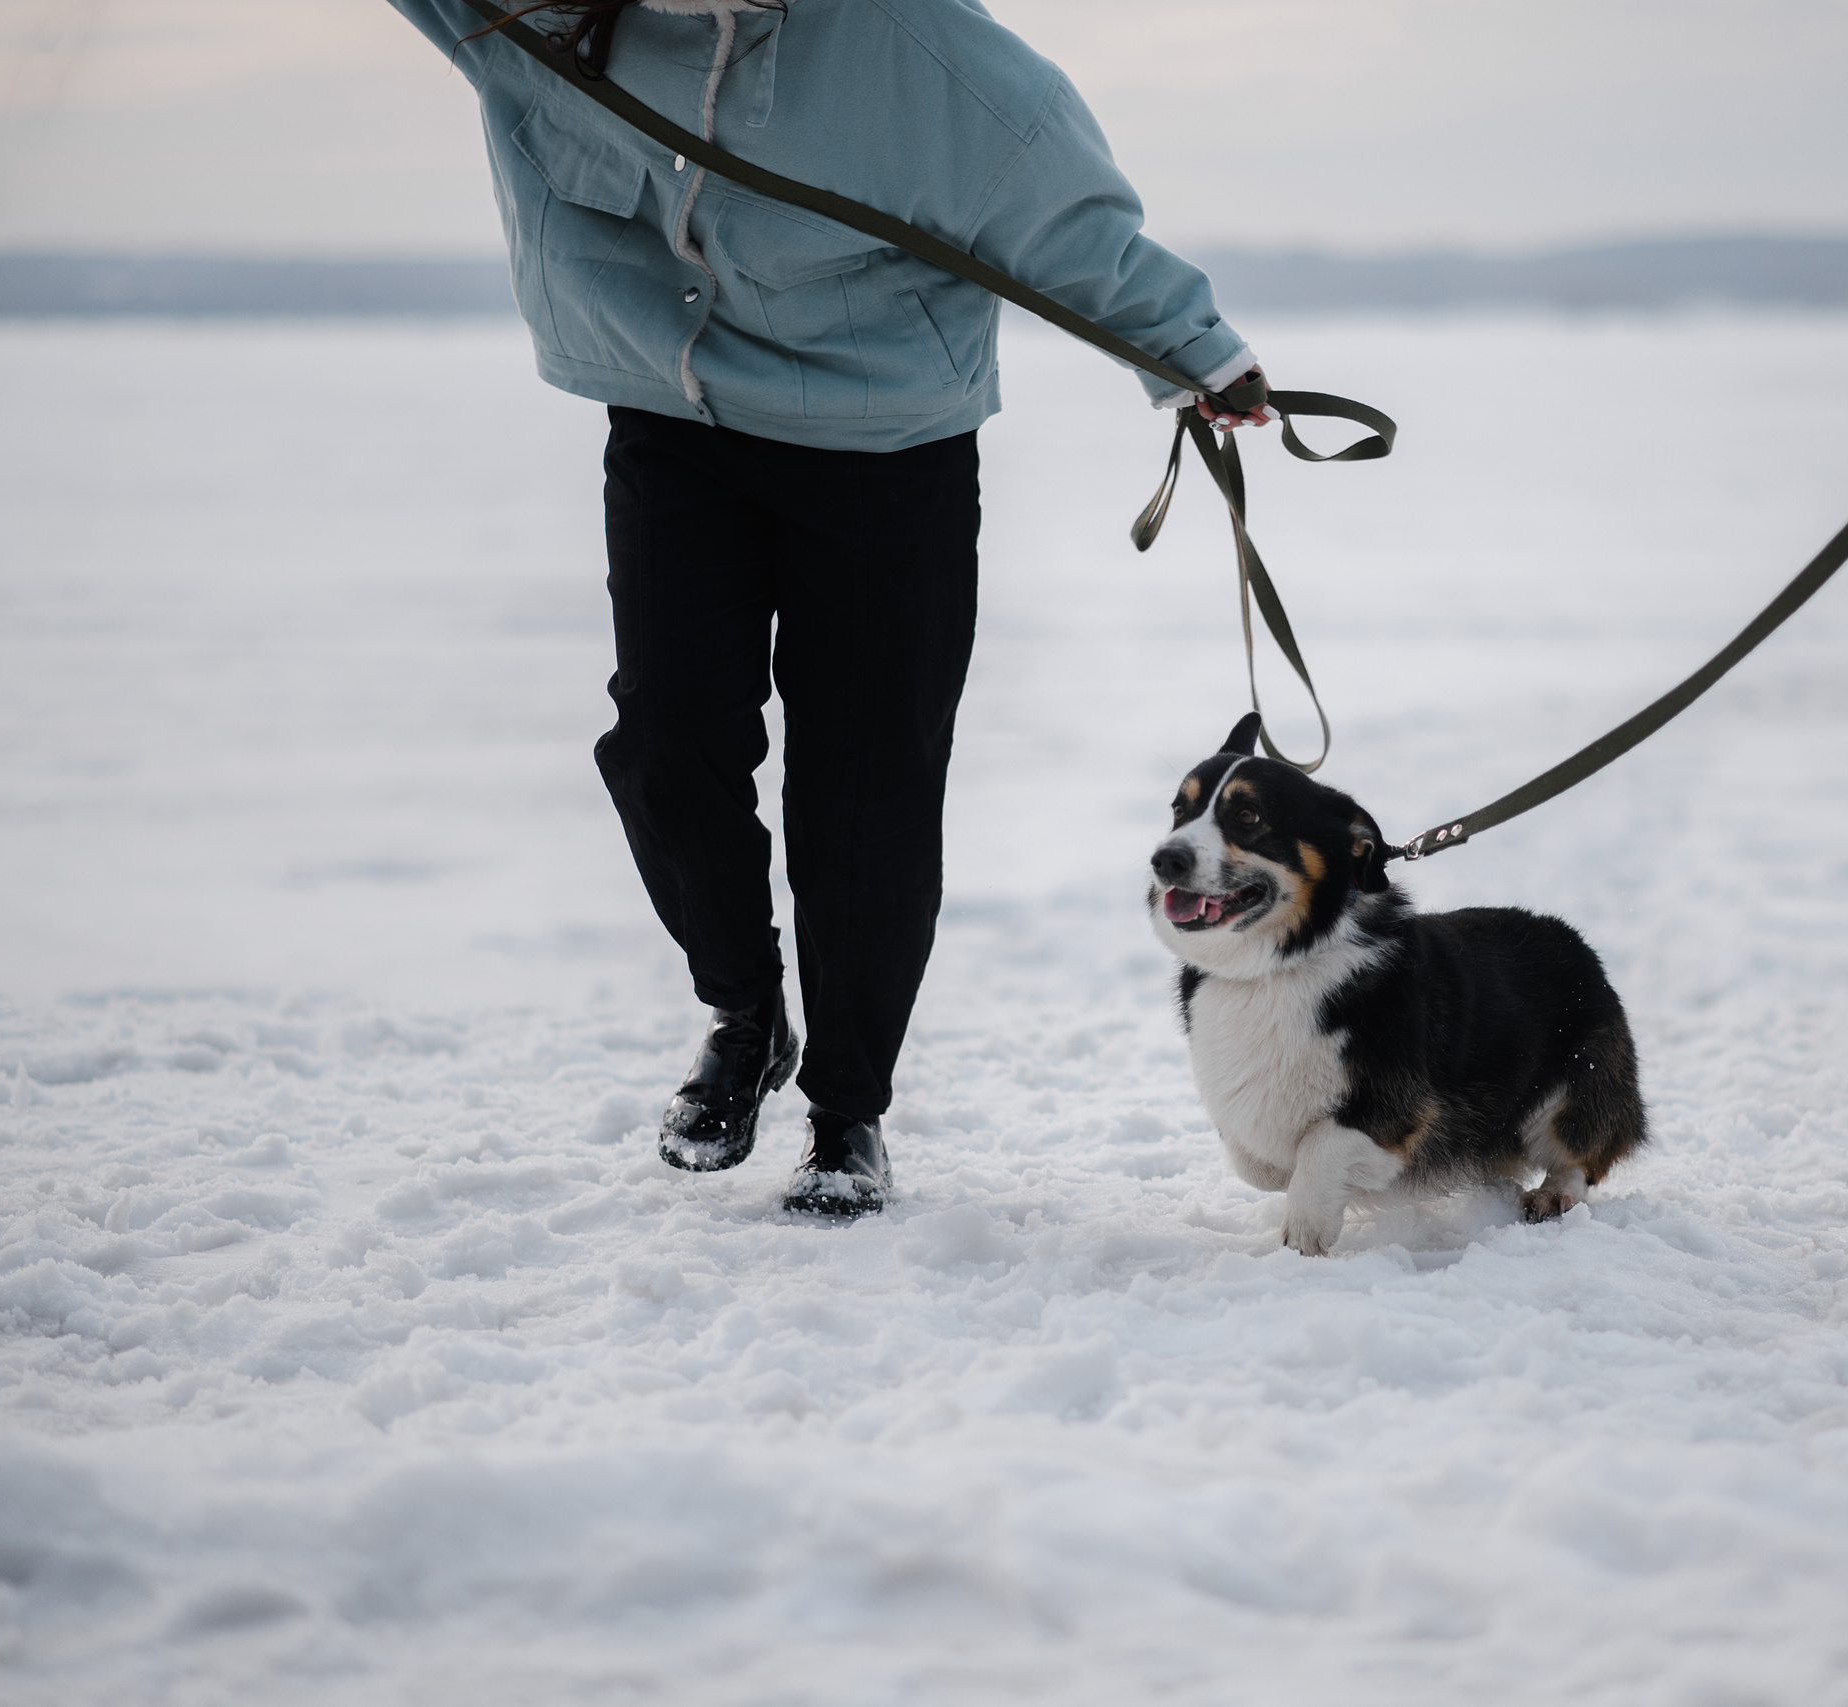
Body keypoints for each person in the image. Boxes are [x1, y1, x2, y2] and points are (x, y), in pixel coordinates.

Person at [385, 0, 1270, 1216]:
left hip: (884, 447)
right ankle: (745, 1015)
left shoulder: (919, 47)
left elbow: (1056, 203)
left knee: (865, 790)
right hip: (674, 416)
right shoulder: (552, 12)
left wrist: (1194, 353)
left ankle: (848, 1116)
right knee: (666, 742)